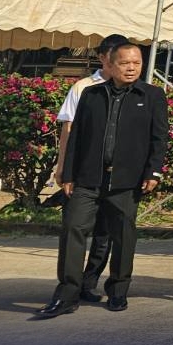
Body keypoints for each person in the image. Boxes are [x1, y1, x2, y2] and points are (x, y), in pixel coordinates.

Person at [36, 42, 168, 317]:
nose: (131, 68)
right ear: (110, 64)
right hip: (87, 179)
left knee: (123, 236)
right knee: (73, 229)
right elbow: (76, 137)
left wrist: (153, 171)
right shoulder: (92, 94)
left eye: (137, 63)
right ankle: (67, 294)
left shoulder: (152, 95)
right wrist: (68, 173)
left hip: (126, 181)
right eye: (125, 63)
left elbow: (159, 138)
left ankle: (118, 291)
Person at [51, 33, 129, 301]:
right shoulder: (83, 88)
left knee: (105, 234)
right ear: (103, 58)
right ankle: (68, 288)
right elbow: (69, 130)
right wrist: (63, 167)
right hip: (85, 173)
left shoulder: (135, 90)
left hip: (117, 177)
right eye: (116, 57)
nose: (122, 63)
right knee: (76, 227)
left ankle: (89, 282)